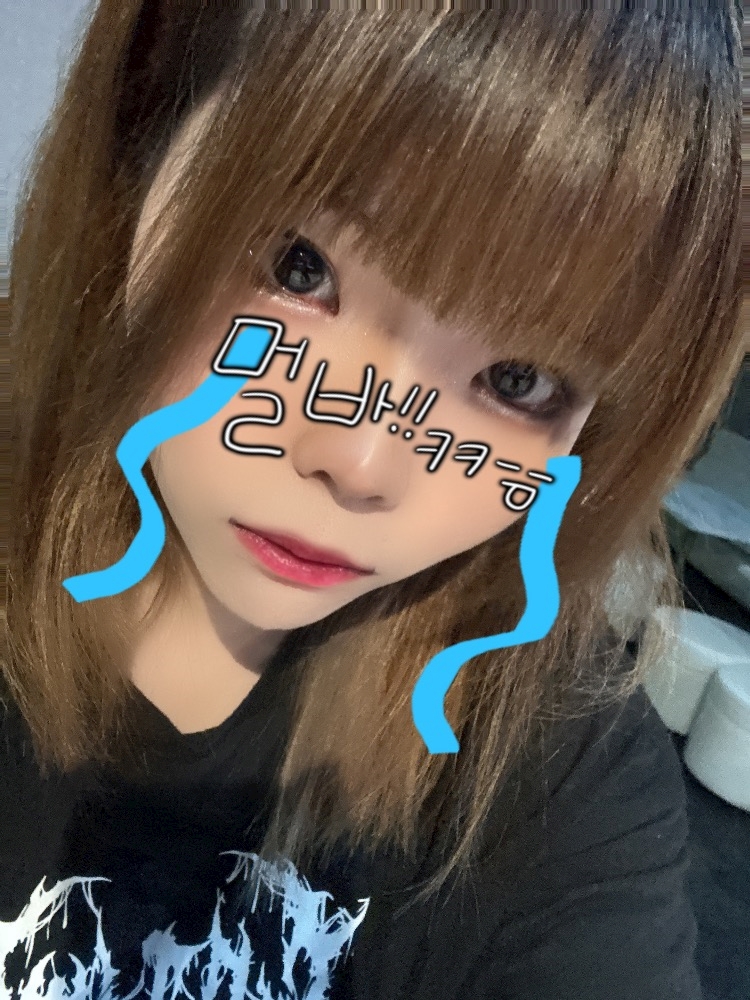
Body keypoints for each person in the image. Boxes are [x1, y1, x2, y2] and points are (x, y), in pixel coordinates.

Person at [3, 6, 744, 999]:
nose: (361, 463)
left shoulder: (552, 762)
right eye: (298, 266)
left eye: (519, 380)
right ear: (141, 142)